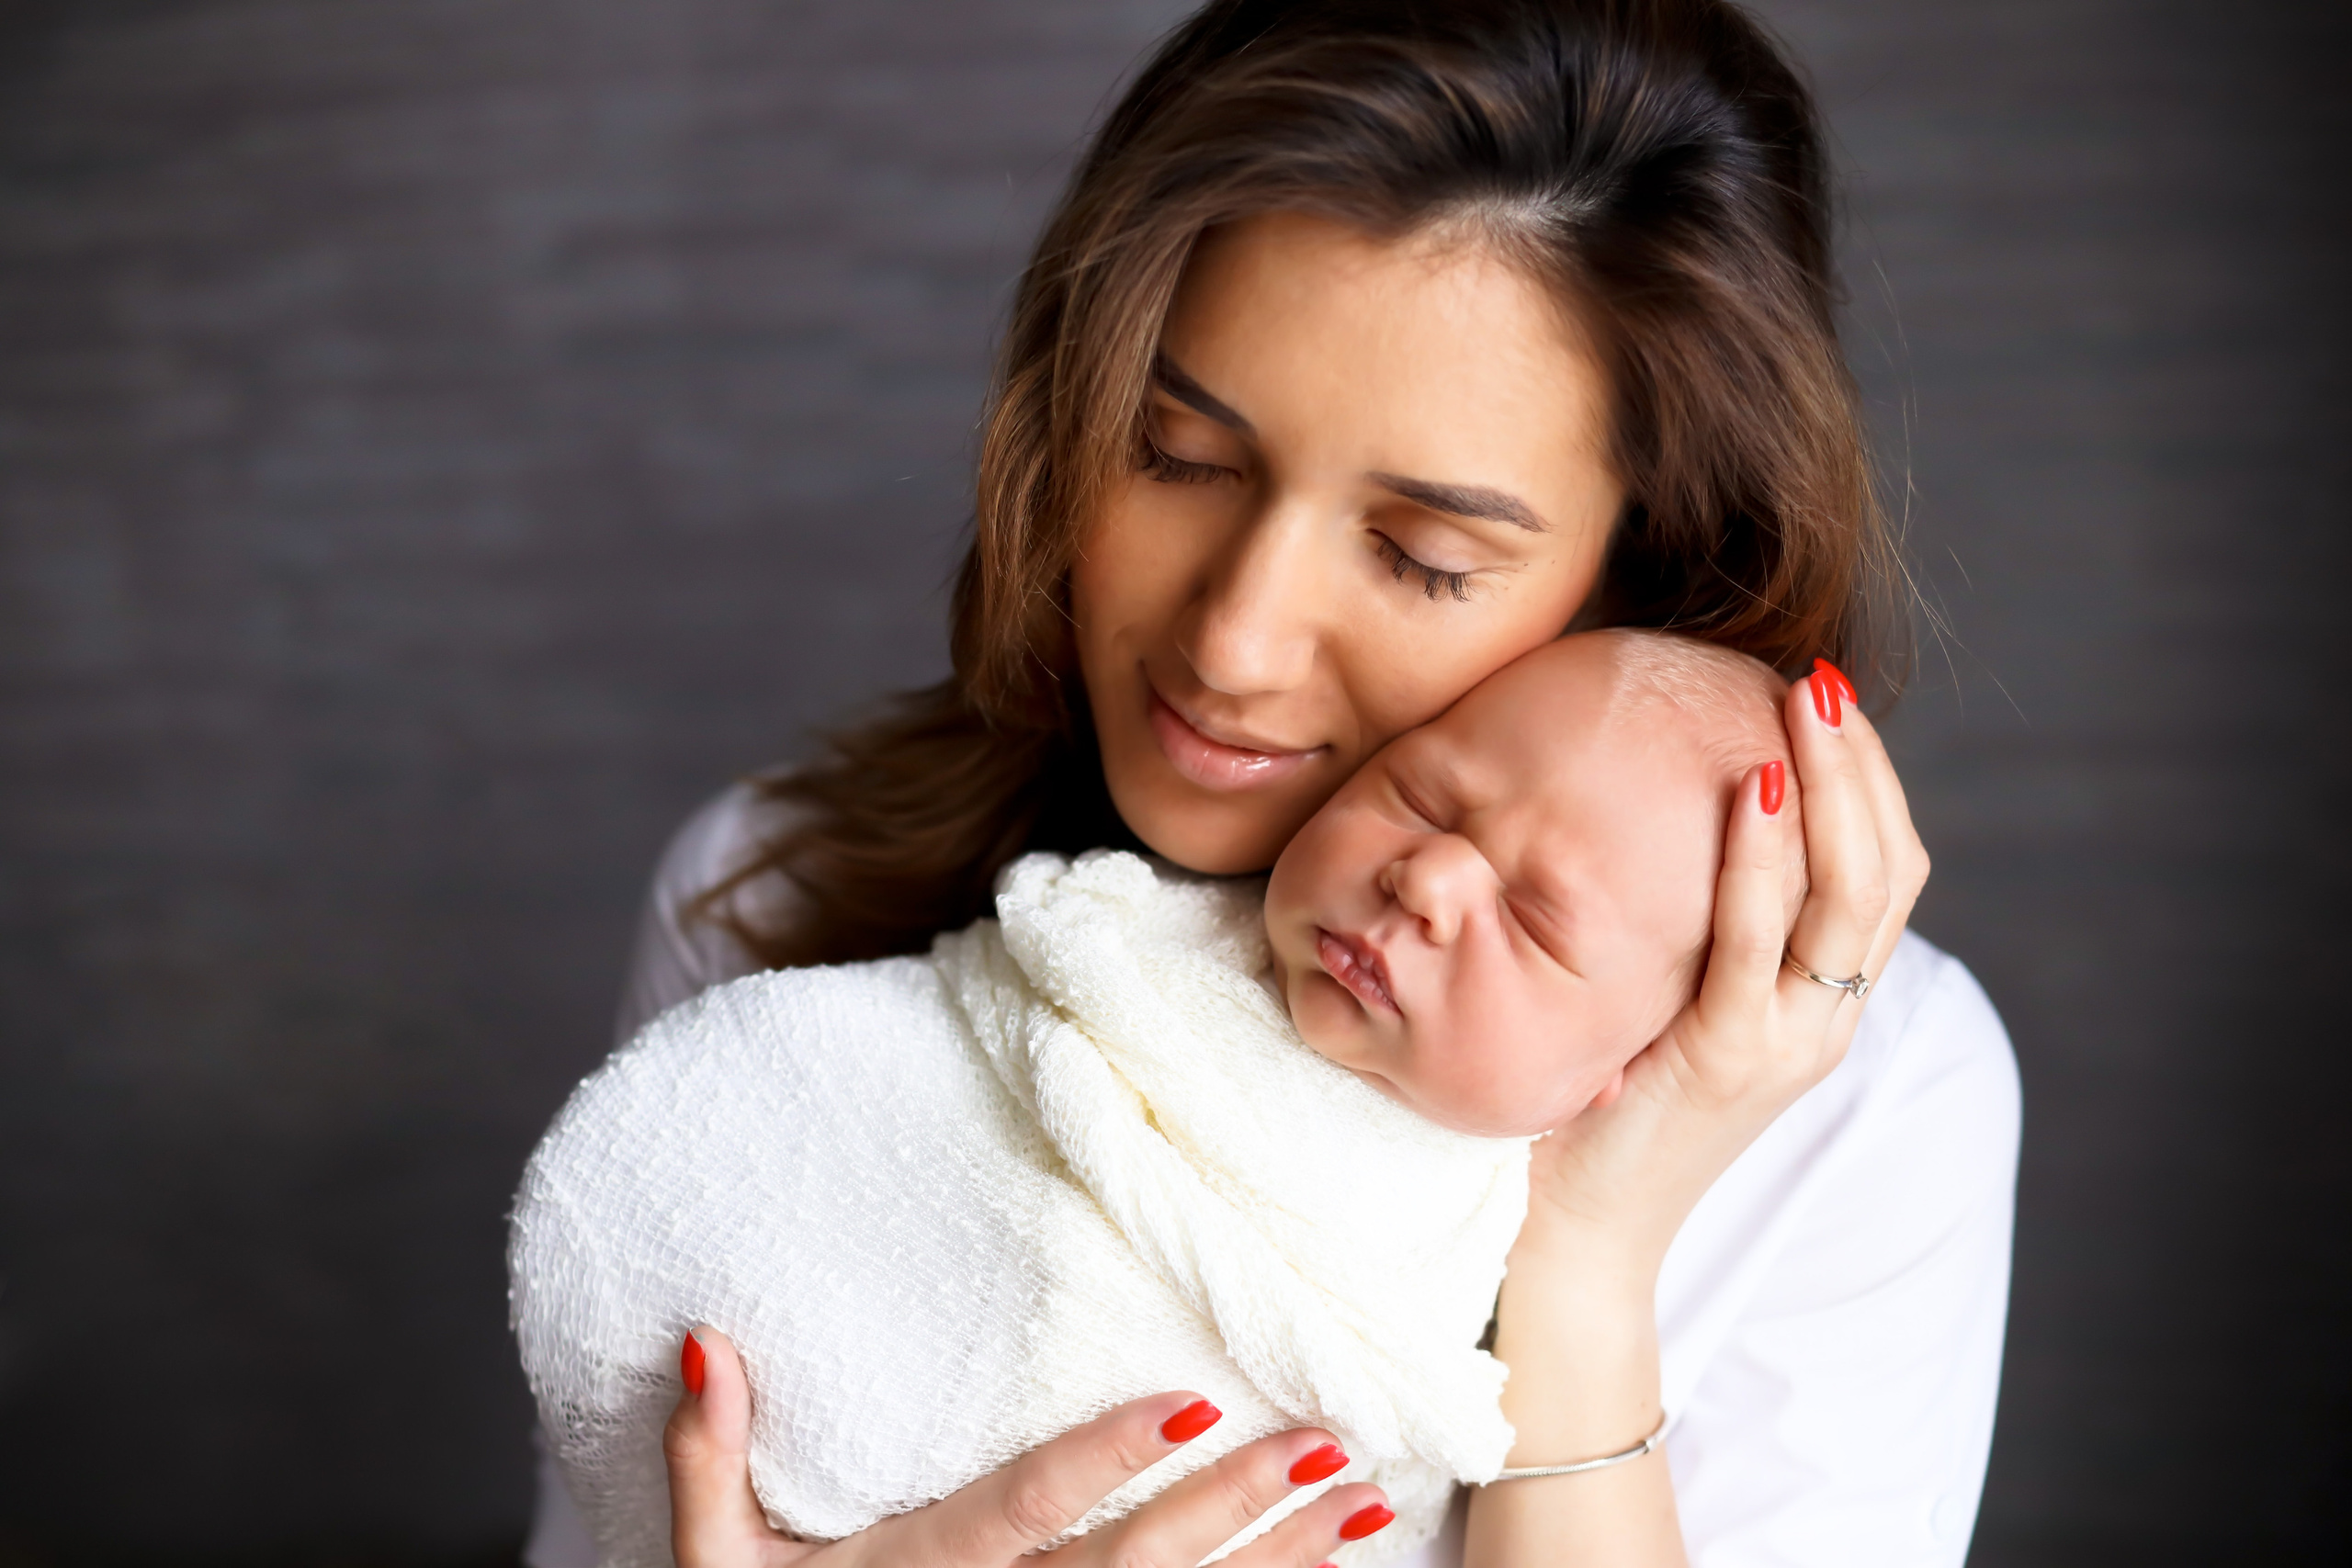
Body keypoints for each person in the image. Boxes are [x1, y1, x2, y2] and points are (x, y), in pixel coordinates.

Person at [525, 2, 2019, 1564]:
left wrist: (1588, 1259)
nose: (1233, 642)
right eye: (1176, 454)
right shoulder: (773, 896)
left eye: (1423, 555)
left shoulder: (1872, 1101)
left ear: (1643, 574)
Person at [514, 631, 1804, 1567]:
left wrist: (1585, 1252)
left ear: (1627, 1064)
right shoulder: (1131, 947)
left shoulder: (1513, 1218)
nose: (1429, 880)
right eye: (1420, 795)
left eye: (1532, 920)